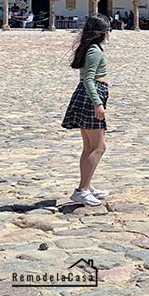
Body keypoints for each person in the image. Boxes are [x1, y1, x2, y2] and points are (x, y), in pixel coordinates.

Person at [61, 14, 113, 207]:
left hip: (87, 96)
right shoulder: (95, 51)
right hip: (92, 98)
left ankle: (87, 185)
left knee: (89, 147)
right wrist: (98, 103)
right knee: (99, 147)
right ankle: (82, 190)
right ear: (102, 32)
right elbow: (89, 80)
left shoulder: (91, 48)